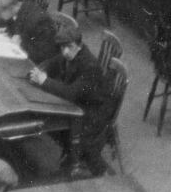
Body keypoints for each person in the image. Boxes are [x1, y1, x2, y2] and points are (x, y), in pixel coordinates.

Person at [27, 21, 116, 177]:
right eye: (62, 47)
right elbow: (53, 62)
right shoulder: (69, 54)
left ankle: (91, 170)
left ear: (79, 45)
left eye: (69, 47)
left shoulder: (90, 66)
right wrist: (40, 70)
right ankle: (69, 157)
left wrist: (44, 81)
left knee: (54, 121)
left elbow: (71, 93)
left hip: (94, 112)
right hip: (80, 102)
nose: (66, 52)